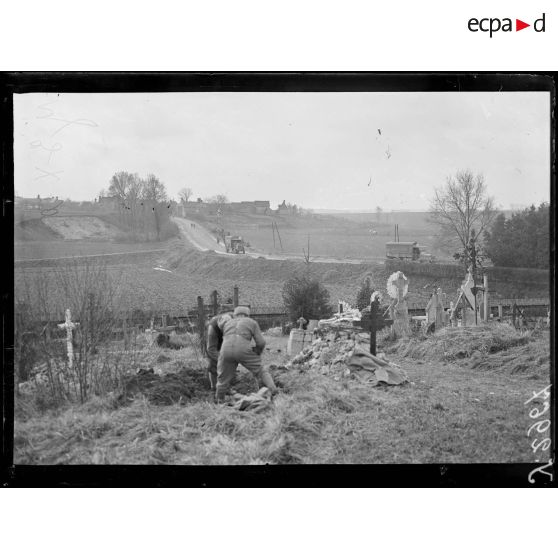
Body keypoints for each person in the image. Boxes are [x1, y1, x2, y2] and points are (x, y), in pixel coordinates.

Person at [215, 306, 277, 403]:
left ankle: (219, 401)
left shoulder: (227, 323)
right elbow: (261, 342)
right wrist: (257, 351)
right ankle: (274, 392)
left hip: (225, 349)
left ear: (235, 315)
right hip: (243, 348)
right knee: (261, 370)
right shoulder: (251, 322)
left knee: (223, 377)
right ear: (248, 315)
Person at [206, 312, 233, 394]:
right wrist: (221, 360)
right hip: (215, 343)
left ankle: (227, 387)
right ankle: (214, 388)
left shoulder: (235, 320)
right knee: (213, 365)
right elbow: (211, 349)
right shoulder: (212, 329)